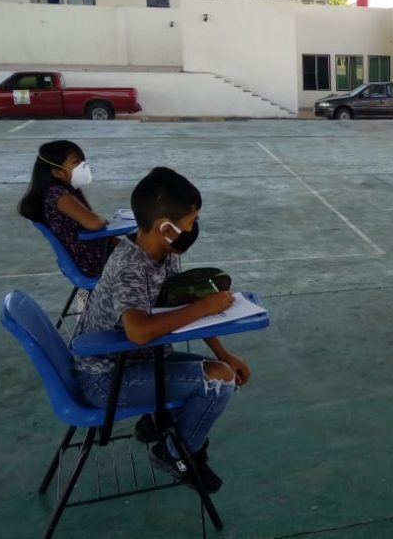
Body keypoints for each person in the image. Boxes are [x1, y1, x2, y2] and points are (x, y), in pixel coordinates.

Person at [73, 167, 252, 493]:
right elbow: (139, 332)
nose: (193, 229)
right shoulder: (129, 265)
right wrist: (204, 306)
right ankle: (176, 454)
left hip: (137, 362)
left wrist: (224, 352)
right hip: (105, 379)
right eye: (189, 223)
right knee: (218, 382)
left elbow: (179, 310)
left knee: (223, 369)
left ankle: (158, 425)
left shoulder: (164, 252)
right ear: (166, 228)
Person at [18, 140, 110, 278]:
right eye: (76, 162)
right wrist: (103, 220)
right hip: (91, 262)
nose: (83, 167)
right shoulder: (59, 196)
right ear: (57, 172)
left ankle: (86, 299)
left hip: (85, 259)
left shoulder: (53, 193)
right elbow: (95, 223)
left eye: (82, 162)